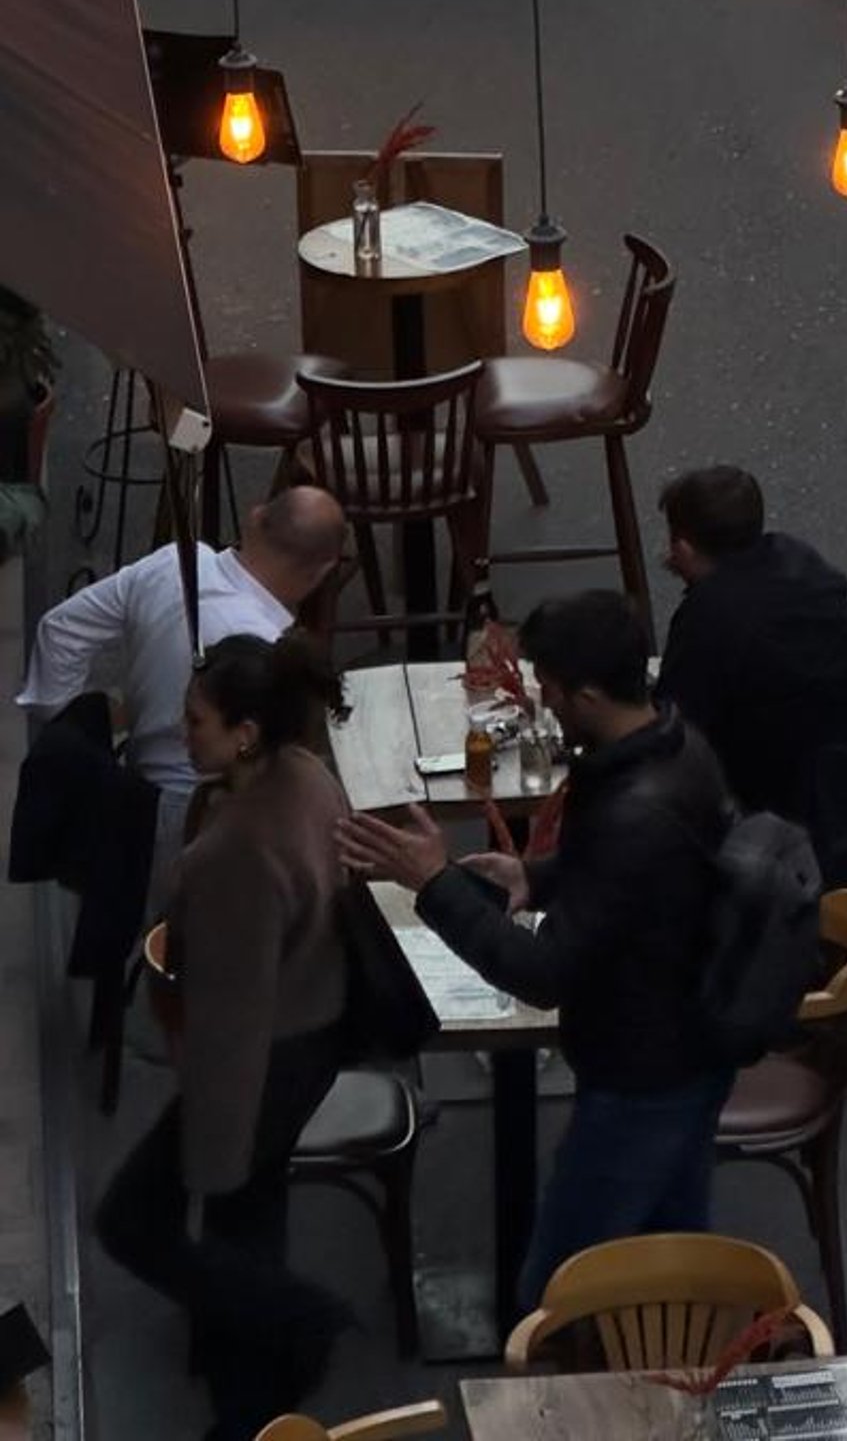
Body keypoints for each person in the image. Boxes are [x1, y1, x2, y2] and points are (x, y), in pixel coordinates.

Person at [339, 589, 733, 1296]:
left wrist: (435, 883)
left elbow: (543, 973)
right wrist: (536, 875)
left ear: (585, 692)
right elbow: (635, 883)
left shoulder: (631, 810)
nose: (539, 697)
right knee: (669, 1263)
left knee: (558, 1290)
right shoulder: (673, 747)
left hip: (641, 1072)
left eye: (546, 684)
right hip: (689, 1047)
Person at [95, 631, 353, 1441]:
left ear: (245, 732)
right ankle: (255, 1406)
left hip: (258, 1062)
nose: (181, 731)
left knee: (134, 1220)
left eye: (196, 719)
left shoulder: (232, 855)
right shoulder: (306, 774)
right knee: (249, 1222)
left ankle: (296, 1329)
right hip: (313, 1033)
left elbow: (232, 1019)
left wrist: (216, 1144)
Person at [19, 487, 347, 863]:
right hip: (199, 816)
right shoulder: (267, 654)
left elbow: (59, 629)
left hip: (128, 785)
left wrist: (66, 728)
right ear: (323, 571)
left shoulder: (173, 562)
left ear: (254, 518)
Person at [656, 467, 847, 826]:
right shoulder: (796, 556)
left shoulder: (708, 616)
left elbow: (674, 730)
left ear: (684, 548)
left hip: (793, 803)